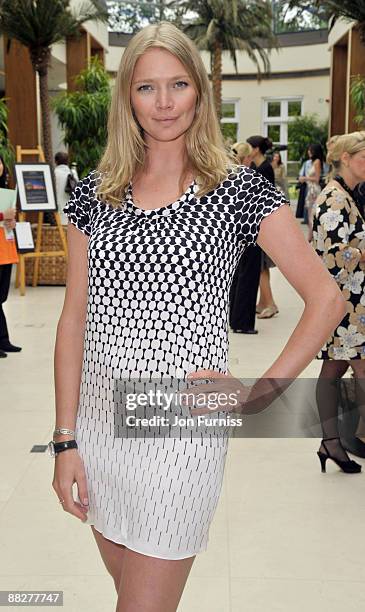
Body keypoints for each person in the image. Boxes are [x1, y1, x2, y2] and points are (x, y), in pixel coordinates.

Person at [51, 22, 346, 611]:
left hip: (182, 422)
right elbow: (73, 317)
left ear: (200, 94)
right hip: (100, 423)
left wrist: (260, 393)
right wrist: (65, 441)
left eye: (178, 84)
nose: (163, 103)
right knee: (130, 593)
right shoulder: (95, 192)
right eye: (146, 88)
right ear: (127, 98)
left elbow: (326, 298)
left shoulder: (237, 191)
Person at [312, 131, 365, 473]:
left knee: (333, 370)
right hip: (344, 301)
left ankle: (331, 441)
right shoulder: (333, 199)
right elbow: (330, 255)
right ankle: (351, 437)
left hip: (351, 300)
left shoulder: (346, 194)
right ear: (346, 158)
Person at [248, 135, 282, 320]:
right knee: (260, 266)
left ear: (256, 149)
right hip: (254, 219)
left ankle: (270, 303)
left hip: (261, 220)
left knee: (260, 266)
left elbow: (266, 196)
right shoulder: (255, 166)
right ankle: (263, 301)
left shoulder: (265, 168)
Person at [0, 154, 21, 357]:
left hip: (5, 250)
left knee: (1, 297)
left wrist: (10, 222)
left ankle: (4, 340)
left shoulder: (5, 191)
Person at [300, 143, 324, 242]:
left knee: (312, 215)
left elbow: (317, 178)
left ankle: (311, 238)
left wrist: (305, 178)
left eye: (311, 150)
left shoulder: (317, 162)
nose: (309, 152)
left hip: (314, 190)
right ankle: (310, 238)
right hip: (311, 189)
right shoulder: (314, 162)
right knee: (311, 215)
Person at [54, 152, 79, 224]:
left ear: (56, 161)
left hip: (57, 209)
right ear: (67, 161)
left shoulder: (54, 173)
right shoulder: (72, 172)